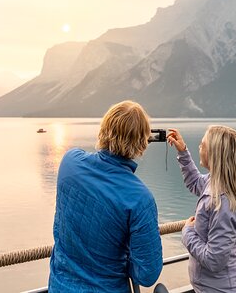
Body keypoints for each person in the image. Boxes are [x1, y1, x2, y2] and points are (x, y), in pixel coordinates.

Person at [48, 100, 163, 292]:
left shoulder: (69, 162)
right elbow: (147, 274)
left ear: (103, 130)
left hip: (60, 287)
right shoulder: (140, 199)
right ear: (142, 142)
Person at [167, 126, 236, 293]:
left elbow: (214, 261)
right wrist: (183, 152)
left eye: (203, 144)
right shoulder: (217, 182)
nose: (199, 146)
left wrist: (187, 232)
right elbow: (195, 183)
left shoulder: (224, 202)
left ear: (215, 154)